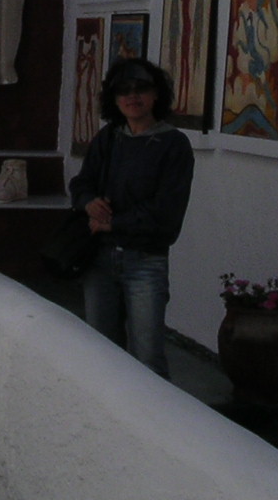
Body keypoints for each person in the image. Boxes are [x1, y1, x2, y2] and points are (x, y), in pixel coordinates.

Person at [69, 57, 194, 377]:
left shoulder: (173, 144)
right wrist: (89, 203)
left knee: (147, 356)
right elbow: (82, 183)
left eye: (141, 88)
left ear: (156, 94)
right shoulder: (109, 138)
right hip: (99, 258)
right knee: (101, 352)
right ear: (113, 99)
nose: (132, 96)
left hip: (145, 260)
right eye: (123, 90)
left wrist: (114, 222)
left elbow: (167, 212)